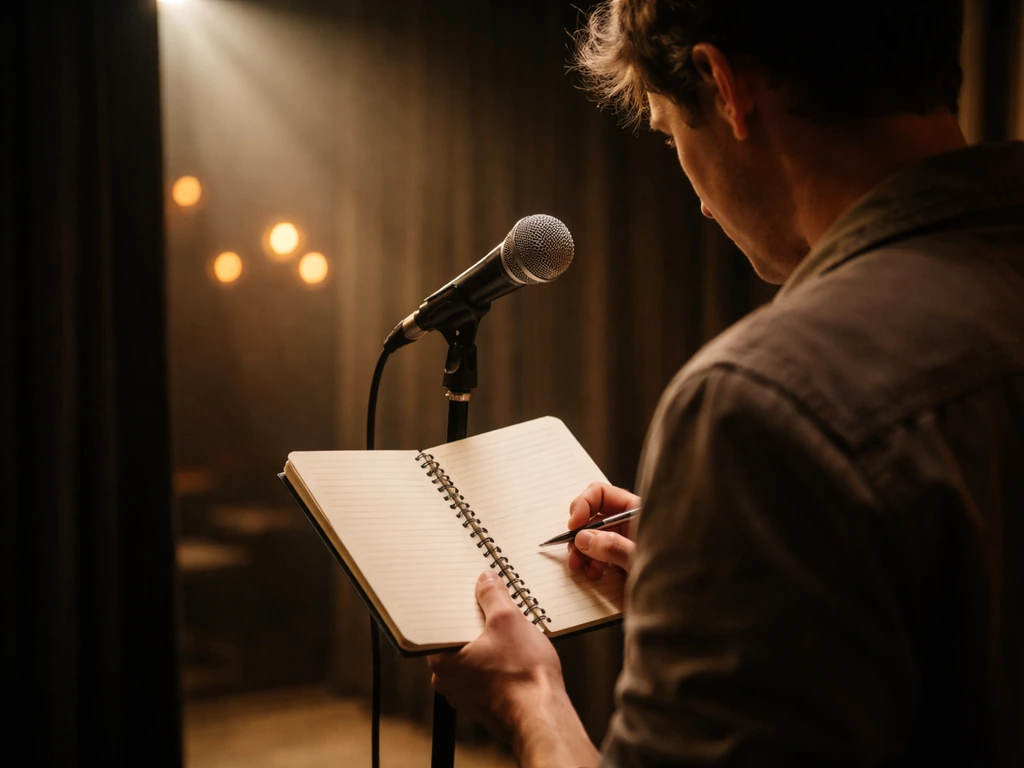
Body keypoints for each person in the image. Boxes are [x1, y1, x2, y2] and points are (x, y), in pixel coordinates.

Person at [429, 0, 1024, 764]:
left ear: (724, 85)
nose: (703, 206)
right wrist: (739, 572)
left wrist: (527, 699)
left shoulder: (763, 402)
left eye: (672, 133)